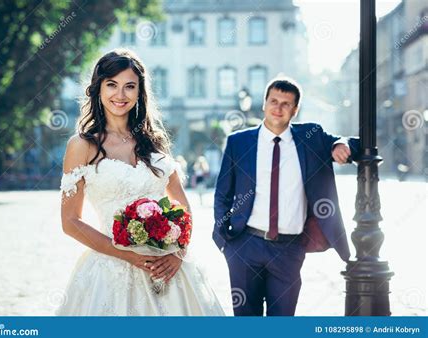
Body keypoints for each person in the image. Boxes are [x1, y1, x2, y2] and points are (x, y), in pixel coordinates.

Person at [57, 49, 224, 316]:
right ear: (98, 89)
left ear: (139, 92)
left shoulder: (154, 141)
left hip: (167, 266)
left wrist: (178, 253)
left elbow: (182, 204)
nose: (120, 95)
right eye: (111, 85)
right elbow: (70, 222)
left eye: (129, 87)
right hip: (111, 268)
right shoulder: (82, 145)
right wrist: (128, 255)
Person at [213, 77, 360, 316]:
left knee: (283, 322)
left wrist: (341, 145)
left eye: (286, 103)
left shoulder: (311, 138)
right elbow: (222, 194)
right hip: (245, 245)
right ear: (264, 104)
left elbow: (354, 142)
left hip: (289, 249)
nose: (278, 108)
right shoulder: (238, 142)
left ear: (295, 109)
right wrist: (225, 240)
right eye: (273, 101)